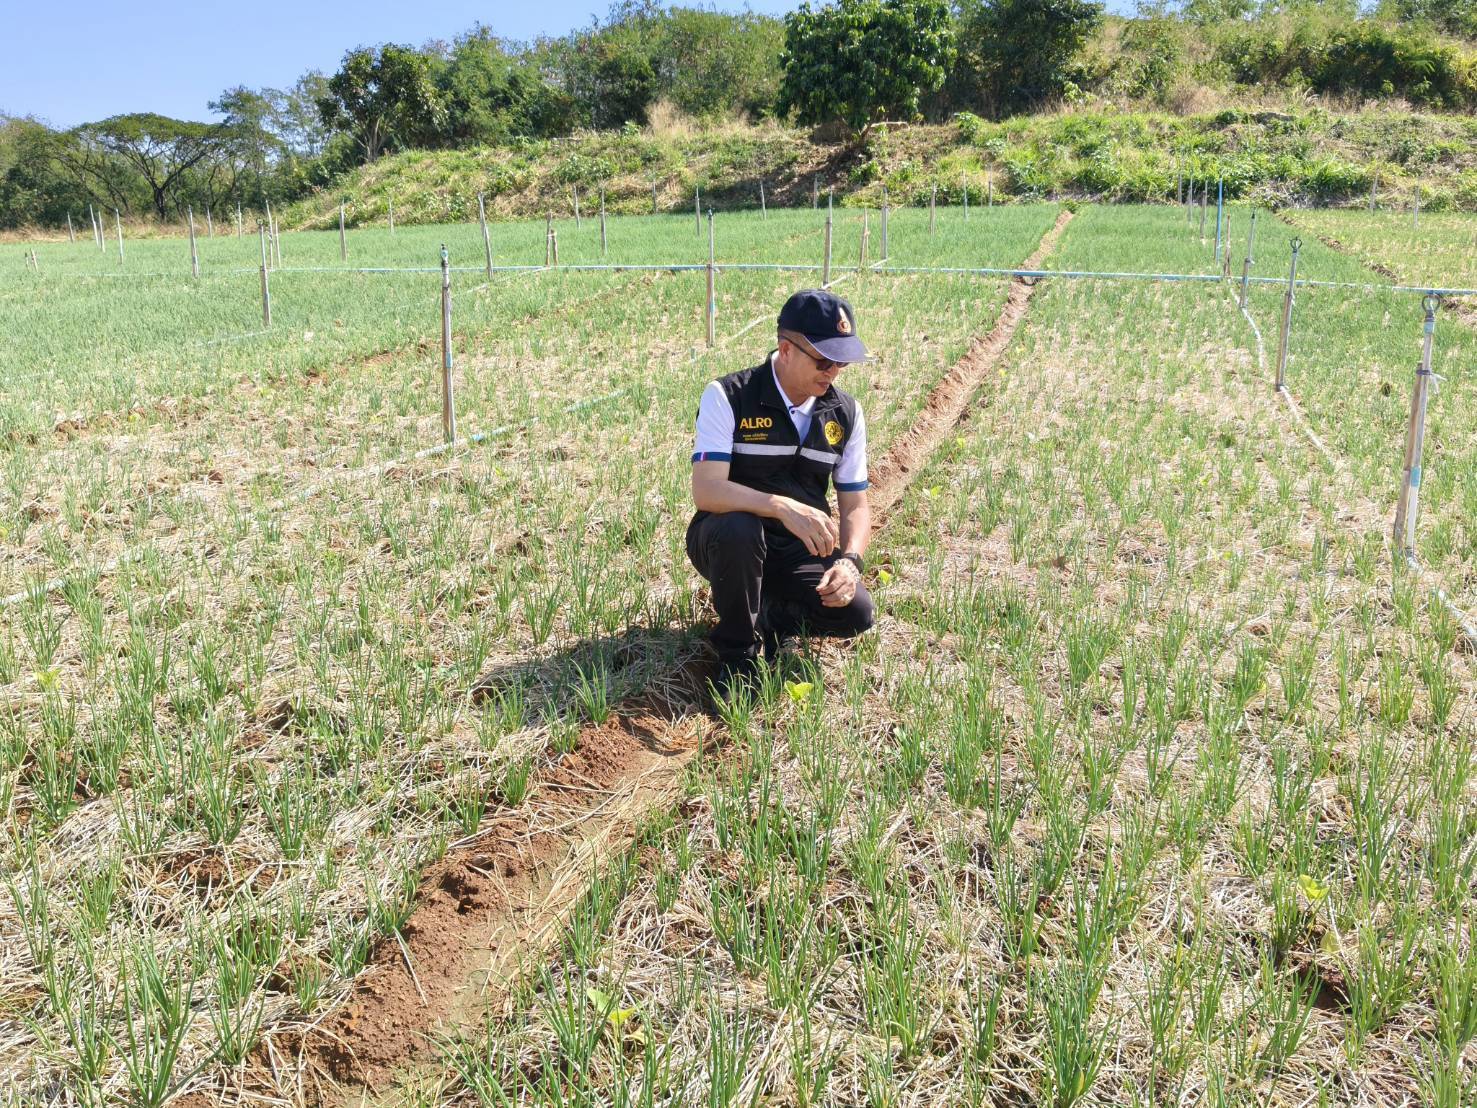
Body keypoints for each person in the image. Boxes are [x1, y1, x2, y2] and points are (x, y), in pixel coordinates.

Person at [686, 288, 875, 697]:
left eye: (841, 362)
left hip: (798, 551)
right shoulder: (729, 397)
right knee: (740, 529)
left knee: (856, 613)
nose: (833, 372)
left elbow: (856, 505)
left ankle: (769, 615)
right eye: (824, 360)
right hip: (728, 539)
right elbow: (707, 489)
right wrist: (778, 506)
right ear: (785, 349)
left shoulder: (846, 413)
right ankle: (738, 657)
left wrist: (849, 563)